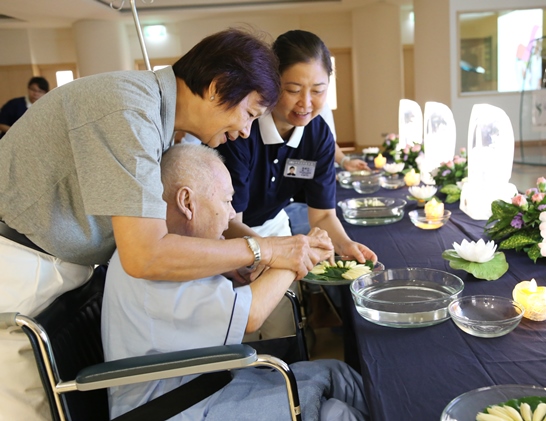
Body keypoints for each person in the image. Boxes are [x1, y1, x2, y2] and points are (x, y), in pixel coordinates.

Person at [0, 28, 333, 421]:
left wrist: (251, 251)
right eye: (248, 114)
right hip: (23, 266)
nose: (245, 131)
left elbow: (214, 213)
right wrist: (267, 249)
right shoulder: (127, 110)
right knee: (38, 409)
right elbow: (146, 254)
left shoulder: (161, 119)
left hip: (65, 262)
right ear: (217, 87)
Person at [102, 143, 369, 421]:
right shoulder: (154, 262)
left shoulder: (181, 246)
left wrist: (243, 269)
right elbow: (251, 316)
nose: (231, 214)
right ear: (187, 202)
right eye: (227, 201)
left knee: (340, 374)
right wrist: (299, 256)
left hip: (212, 381)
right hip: (176, 405)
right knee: (335, 413)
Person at [217, 30, 376, 339]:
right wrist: (273, 253)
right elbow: (227, 222)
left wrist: (345, 245)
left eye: (318, 90)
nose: (306, 103)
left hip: (275, 228)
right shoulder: (242, 130)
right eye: (293, 89)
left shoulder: (318, 137)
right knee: (241, 329)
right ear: (272, 83)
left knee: (283, 329)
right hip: (230, 235)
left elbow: (323, 215)